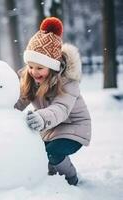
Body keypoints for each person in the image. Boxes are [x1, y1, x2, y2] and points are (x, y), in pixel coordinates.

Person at [15, 17, 91, 186]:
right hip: (51, 128)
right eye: (31, 66)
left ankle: (71, 178)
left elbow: (61, 108)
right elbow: (19, 101)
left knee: (52, 153)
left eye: (40, 68)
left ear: (53, 66)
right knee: (36, 152)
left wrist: (42, 117)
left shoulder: (67, 82)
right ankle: (49, 177)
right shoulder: (31, 79)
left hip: (74, 127)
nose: (34, 72)